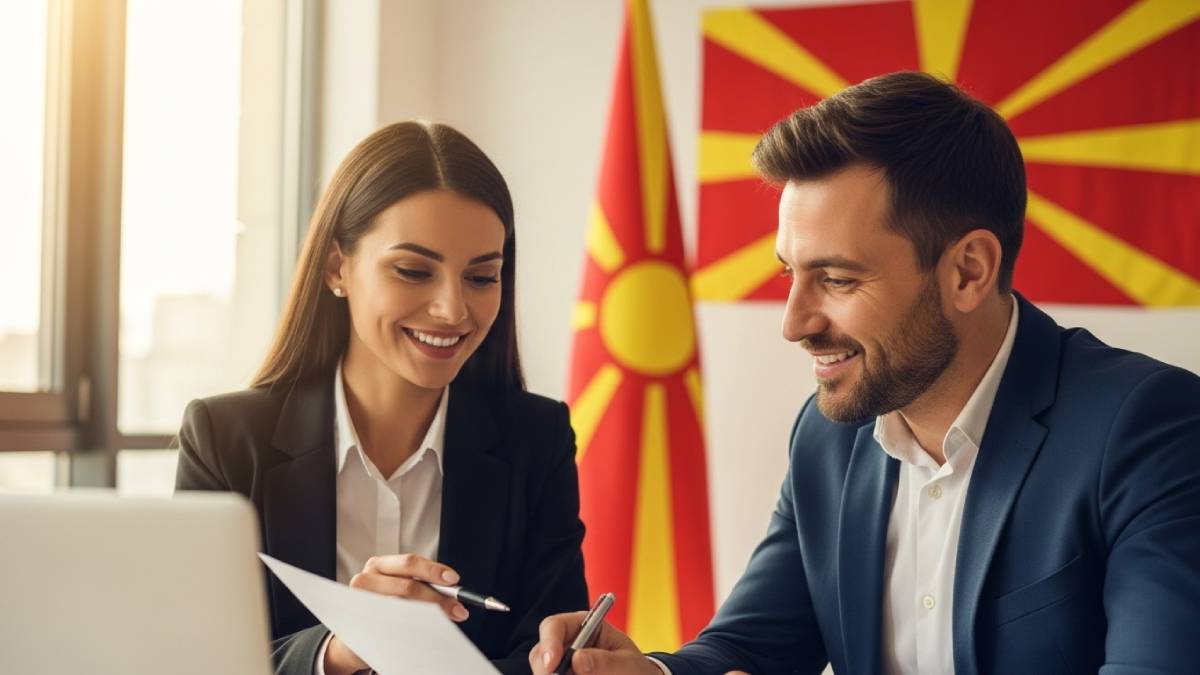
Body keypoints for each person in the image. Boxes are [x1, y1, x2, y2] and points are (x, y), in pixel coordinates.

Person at [530, 71, 1200, 675]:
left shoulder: (1149, 427)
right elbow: (749, 649)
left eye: (837, 278)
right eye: (790, 272)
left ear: (969, 270)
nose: (793, 322)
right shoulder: (829, 436)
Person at [175, 121, 588, 675]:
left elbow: (550, 654)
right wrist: (339, 651)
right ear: (336, 268)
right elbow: (194, 660)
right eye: (413, 271)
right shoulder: (224, 441)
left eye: (482, 277)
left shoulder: (536, 441)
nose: (453, 310)